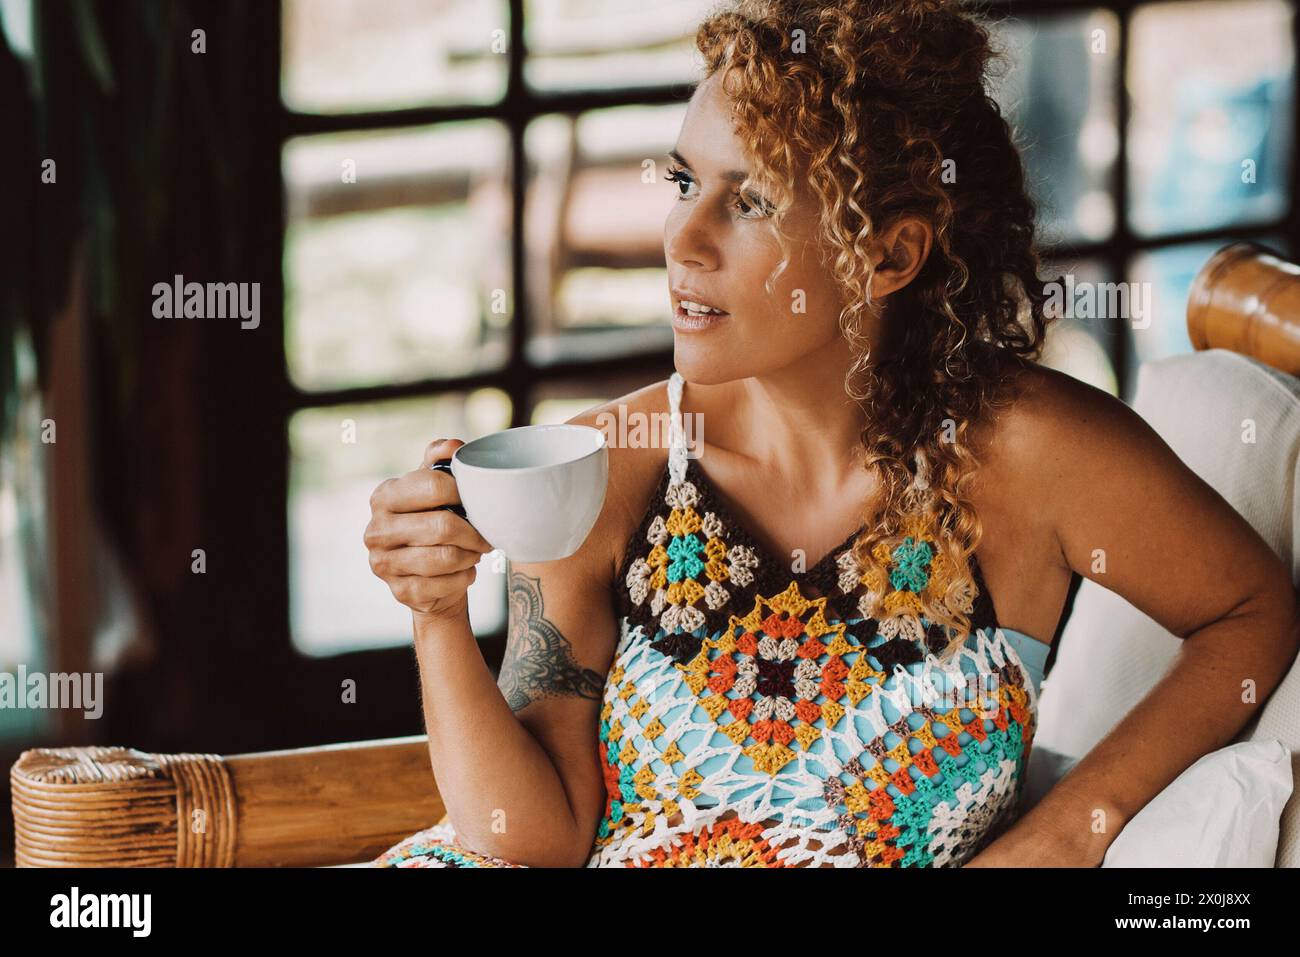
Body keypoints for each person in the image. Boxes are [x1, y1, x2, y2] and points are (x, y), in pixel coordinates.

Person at [362, 0, 1298, 867]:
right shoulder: (599, 468)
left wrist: (1066, 832)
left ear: (888, 253)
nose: (682, 238)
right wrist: (435, 613)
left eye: (751, 200)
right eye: (684, 180)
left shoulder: (1030, 452)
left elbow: (1250, 611)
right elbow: (530, 839)